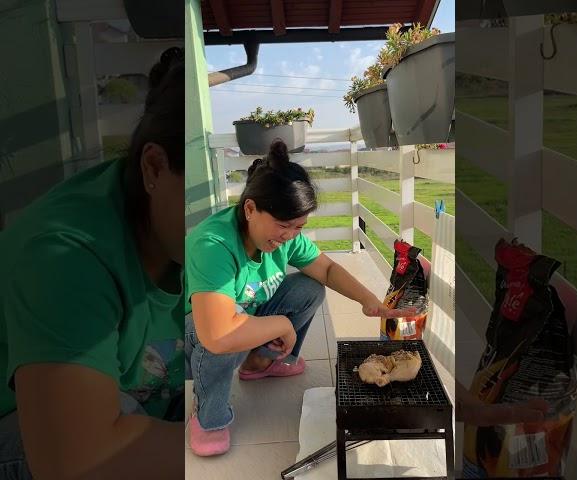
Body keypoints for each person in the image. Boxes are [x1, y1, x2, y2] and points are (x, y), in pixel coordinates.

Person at [0, 47, 185, 479]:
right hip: (32, 430)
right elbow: (80, 459)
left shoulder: (177, 231)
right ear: (154, 167)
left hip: (130, 392)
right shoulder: (65, 254)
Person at [185, 139, 416, 456]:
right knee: (226, 338)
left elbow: (327, 270)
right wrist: (281, 324)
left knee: (308, 289)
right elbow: (218, 334)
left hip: (244, 311)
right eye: (284, 226)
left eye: (299, 227)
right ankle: (209, 417)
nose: (290, 236)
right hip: (197, 328)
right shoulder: (213, 245)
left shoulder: (283, 237)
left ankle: (258, 363)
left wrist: (368, 300)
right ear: (250, 209)